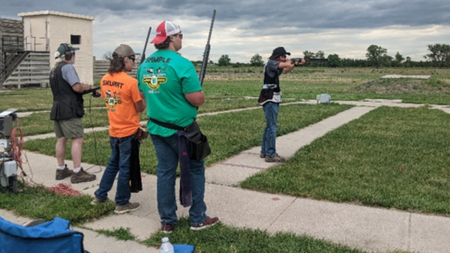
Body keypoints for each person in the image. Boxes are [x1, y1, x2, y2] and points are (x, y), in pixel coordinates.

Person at [137, 20, 219, 233]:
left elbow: (142, 96)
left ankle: (167, 221)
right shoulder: (182, 64)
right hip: (182, 130)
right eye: (180, 35)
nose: (182, 39)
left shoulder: (144, 65)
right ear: (172, 38)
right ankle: (197, 218)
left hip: (156, 127)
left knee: (165, 172)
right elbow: (197, 99)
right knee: (195, 169)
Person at [91, 44, 146, 214]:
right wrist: (142, 94)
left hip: (114, 130)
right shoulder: (131, 82)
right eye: (132, 60)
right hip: (129, 132)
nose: (133, 64)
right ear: (126, 60)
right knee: (125, 167)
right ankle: (122, 202)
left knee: (113, 164)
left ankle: (100, 194)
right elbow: (140, 108)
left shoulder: (105, 79)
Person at [50, 43, 98, 183]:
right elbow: (76, 87)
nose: (75, 56)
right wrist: (87, 87)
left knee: (61, 139)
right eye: (73, 54)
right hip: (69, 109)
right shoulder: (68, 67)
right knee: (77, 139)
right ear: (69, 55)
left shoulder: (54, 70)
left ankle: (61, 168)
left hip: (58, 107)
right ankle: (77, 172)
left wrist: (87, 88)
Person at [258, 47, 305, 163]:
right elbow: (287, 65)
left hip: (272, 96)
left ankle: (265, 151)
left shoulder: (274, 66)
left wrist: (296, 64)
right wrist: (294, 61)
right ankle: (270, 154)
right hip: (270, 97)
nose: (285, 58)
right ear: (278, 57)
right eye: (283, 56)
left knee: (269, 126)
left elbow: (285, 70)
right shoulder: (271, 63)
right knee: (272, 127)